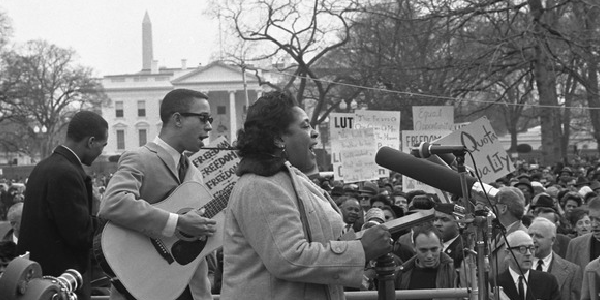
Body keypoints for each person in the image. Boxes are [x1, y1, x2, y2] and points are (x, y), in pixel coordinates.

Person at [220, 91, 392, 300]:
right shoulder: (260, 185)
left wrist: (360, 237)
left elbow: (322, 242)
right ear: (278, 138)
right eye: (304, 126)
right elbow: (289, 258)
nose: (314, 133)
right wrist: (361, 249)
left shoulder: (292, 180)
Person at [100, 89, 216, 300]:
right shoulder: (139, 158)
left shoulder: (195, 173)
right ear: (178, 119)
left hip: (193, 290)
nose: (209, 126)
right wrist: (178, 222)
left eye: (210, 119)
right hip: (145, 288)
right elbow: (113, 202)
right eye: (203, 118)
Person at [17, 111, 108, 300]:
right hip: (60, 283)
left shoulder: (44, 166)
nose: (102, 152)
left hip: (38, 280)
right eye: (103, 145)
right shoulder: (66, 173)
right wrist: (106, 220)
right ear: (91, 141)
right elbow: (79, 234)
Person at [495, 230, 560, 300]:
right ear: (508, 253)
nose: (528, 253)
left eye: (532, 249)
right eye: (522, 249)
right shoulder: (495, 283)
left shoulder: (548, 281)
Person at [394, 224, 457, 295]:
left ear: (442, 245)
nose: (429, 255)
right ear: (414, 247)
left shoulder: (453, 271)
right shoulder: (400, 275)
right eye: (423, 250)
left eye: (434, 249)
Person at [527, 217, 581, 300]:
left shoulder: (572, 271)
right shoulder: (515, 265)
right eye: (530, 235)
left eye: (539, 236)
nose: (532, 240)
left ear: (552, 240)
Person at [489, 187, 527, 279]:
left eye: (494, 205)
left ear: (503, 209)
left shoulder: (522, 238)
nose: (491, 208)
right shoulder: (501, 233)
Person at [566, 197, 600, 278]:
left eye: (598, 219)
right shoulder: (575, 244)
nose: (594, 224)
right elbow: (569, 280)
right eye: (591, 219)